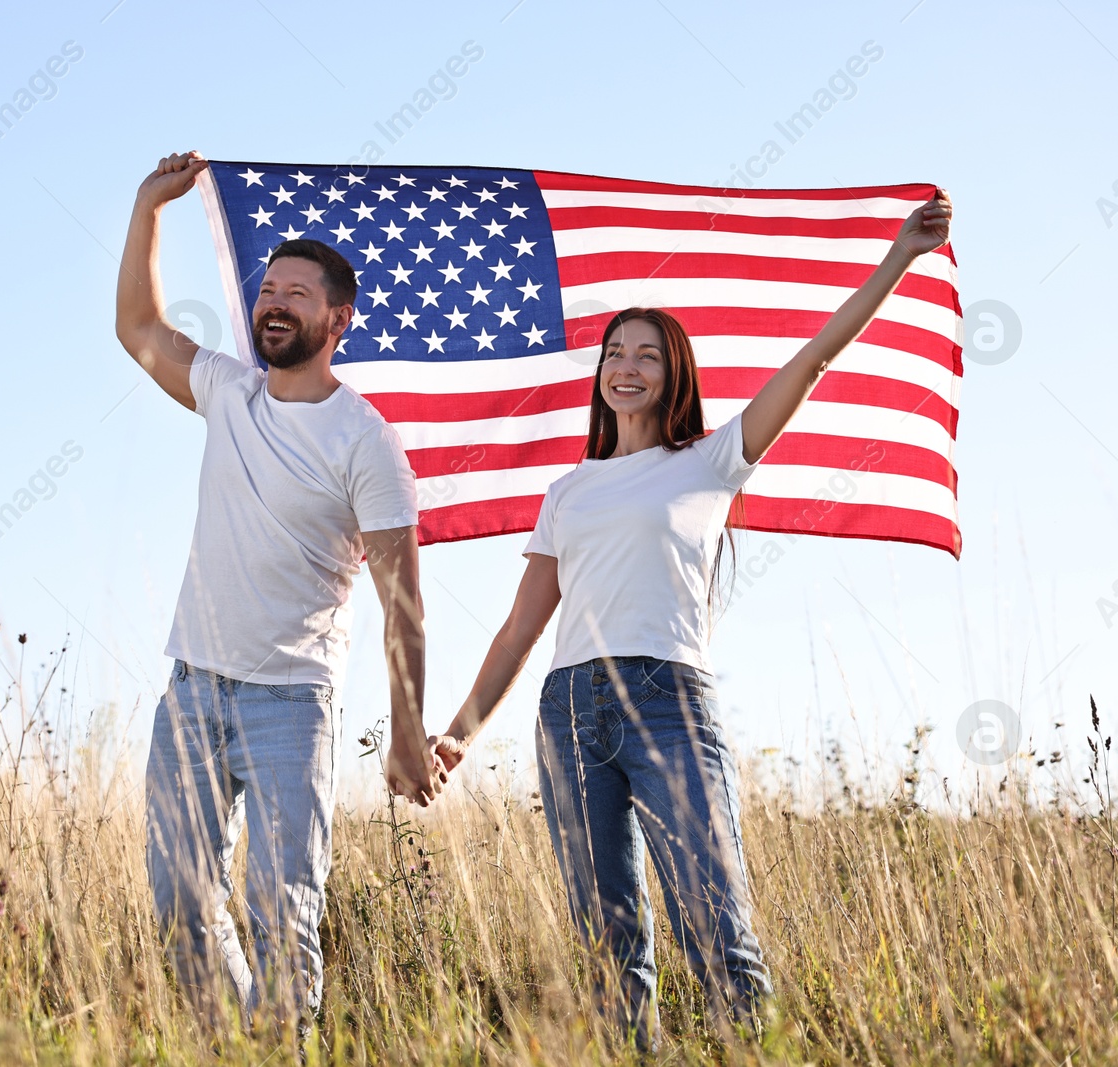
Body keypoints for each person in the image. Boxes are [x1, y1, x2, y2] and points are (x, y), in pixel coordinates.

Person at [429, 192, 953, 1046]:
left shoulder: (711, 461)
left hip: (669, 699)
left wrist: (900, 256)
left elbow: (816, 360)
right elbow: (520, 628)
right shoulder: (568, 491)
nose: (625, 366)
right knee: (608, 947)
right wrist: (459, 732)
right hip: (567, 710)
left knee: (718, 933)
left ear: (674, 374)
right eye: (614, 352)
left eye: (646, 355)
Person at [115, 150, 446, 1030]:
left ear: (338, 318)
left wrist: (408, 729)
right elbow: (140, 330)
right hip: (191, 692)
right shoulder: (230, 392)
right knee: (181, 903)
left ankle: (281, 1048)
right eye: (267, 290)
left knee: (282, 911)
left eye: (296, 294)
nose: (273, 303)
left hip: (292, 705)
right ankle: (232, 1046)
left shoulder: (366, 443)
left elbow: (402, 602)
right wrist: (150, 208)